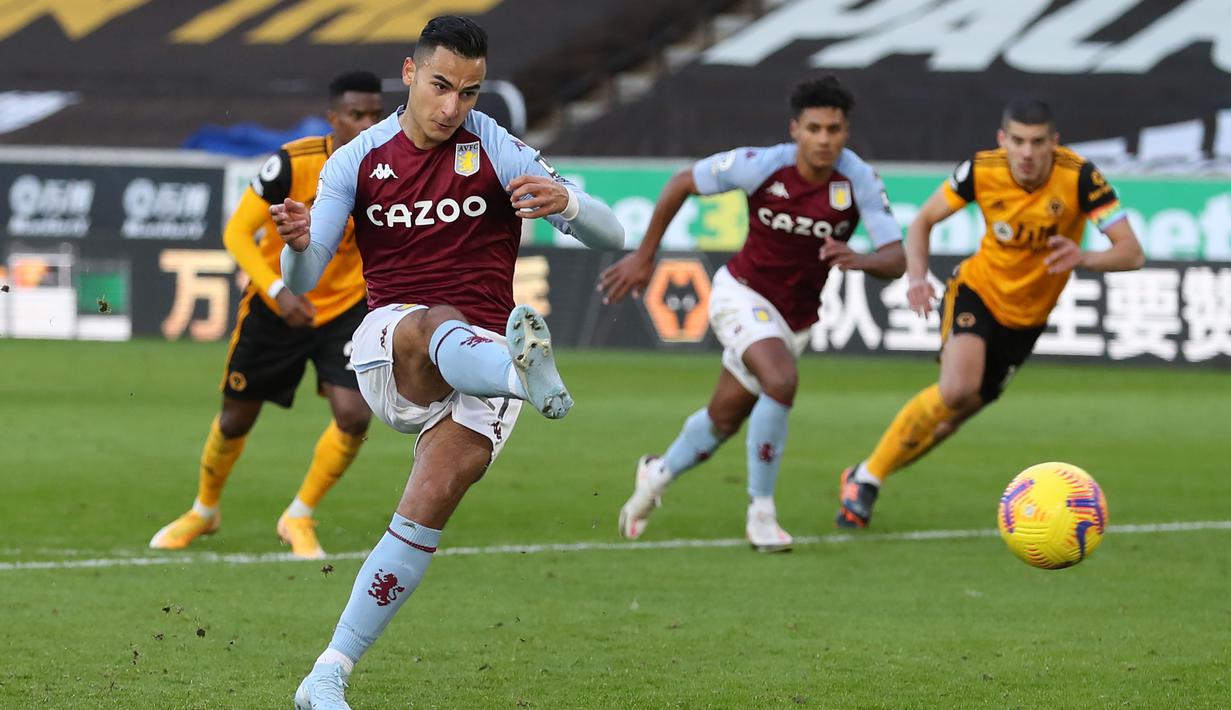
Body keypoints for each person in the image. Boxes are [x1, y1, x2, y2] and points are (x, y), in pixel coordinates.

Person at [271, 17, 624, 709]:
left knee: (427, 506)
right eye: (440, 87)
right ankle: (521, 375)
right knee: (435, 321)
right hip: (394, 346)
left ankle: (327, 673)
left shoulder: (495, 145)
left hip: (484, 359)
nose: (452, 107)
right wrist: (297, 242)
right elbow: (306, 275)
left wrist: (570, 204)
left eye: (469, 92)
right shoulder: (359, 158)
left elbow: (613, 232)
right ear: (409, 74)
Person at [600, 76, 904, 552]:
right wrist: (645, 255)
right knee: (780, 382)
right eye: (815, 128)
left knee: (724, 419)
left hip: (795, 320)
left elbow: (896, 258)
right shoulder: (762, 165)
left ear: (846, 132)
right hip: (741, 294)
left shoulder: (859, 179)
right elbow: (683, 182)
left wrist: (860, 258)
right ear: (795, 129)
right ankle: (761, 514)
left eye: (834, 129)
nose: (824, 139)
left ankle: (655, 475)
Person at [833, 98, 1145, 529]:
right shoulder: (982, 170)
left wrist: (1085, 257)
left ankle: (865, 475)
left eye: (1038, 142)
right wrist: (918, 279)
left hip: (1027, 322)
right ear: (1003, 140)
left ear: (1055, 143)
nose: (1027, 153)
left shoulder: (1081, 178)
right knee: (957, 389)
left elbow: (1131, 253)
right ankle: (866, 484)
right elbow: (923, 221)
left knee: (949, 420)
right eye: (1018, 141)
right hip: (976, 293)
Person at [149, 71, 384, 559]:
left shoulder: (390, 167)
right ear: (333, 118)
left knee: (355, 415)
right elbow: (238, 232)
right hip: (277, 307)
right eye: (356, 114)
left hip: (344, 309)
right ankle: (204, 511)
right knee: (235, 420)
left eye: (375, 115)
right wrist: (278, 290)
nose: (367, 124)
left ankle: (299, 515)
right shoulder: (292, 163)